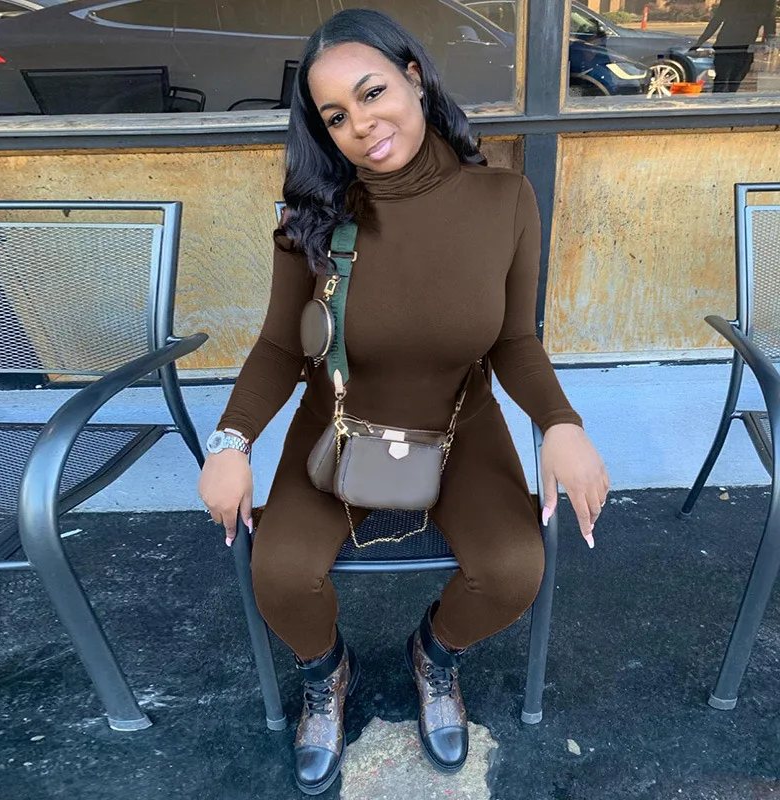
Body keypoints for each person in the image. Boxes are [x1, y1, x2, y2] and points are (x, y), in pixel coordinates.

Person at [198, 8, 609, 796]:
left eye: (372, 92)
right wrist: (231, 442)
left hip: (459, 425)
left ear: (414, 78)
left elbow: (514, 341)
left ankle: (435, 656)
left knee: (513, 569)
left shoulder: (505, 200)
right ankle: (326, 672)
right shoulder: (312, 219)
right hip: (338, 427)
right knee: (280, 575)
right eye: (335, 116)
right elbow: (281, 348)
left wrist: (561, 424)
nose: (361, 125)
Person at [694, 0, 777, 93]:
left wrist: (768, 42)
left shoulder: (766, 4)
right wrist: (698, 44)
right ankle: (722, 98)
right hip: (727, 46)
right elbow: (716, 21)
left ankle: (726, 98)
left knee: (732, 81)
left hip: (741, 48)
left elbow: (770, 24)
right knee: (723, 81)